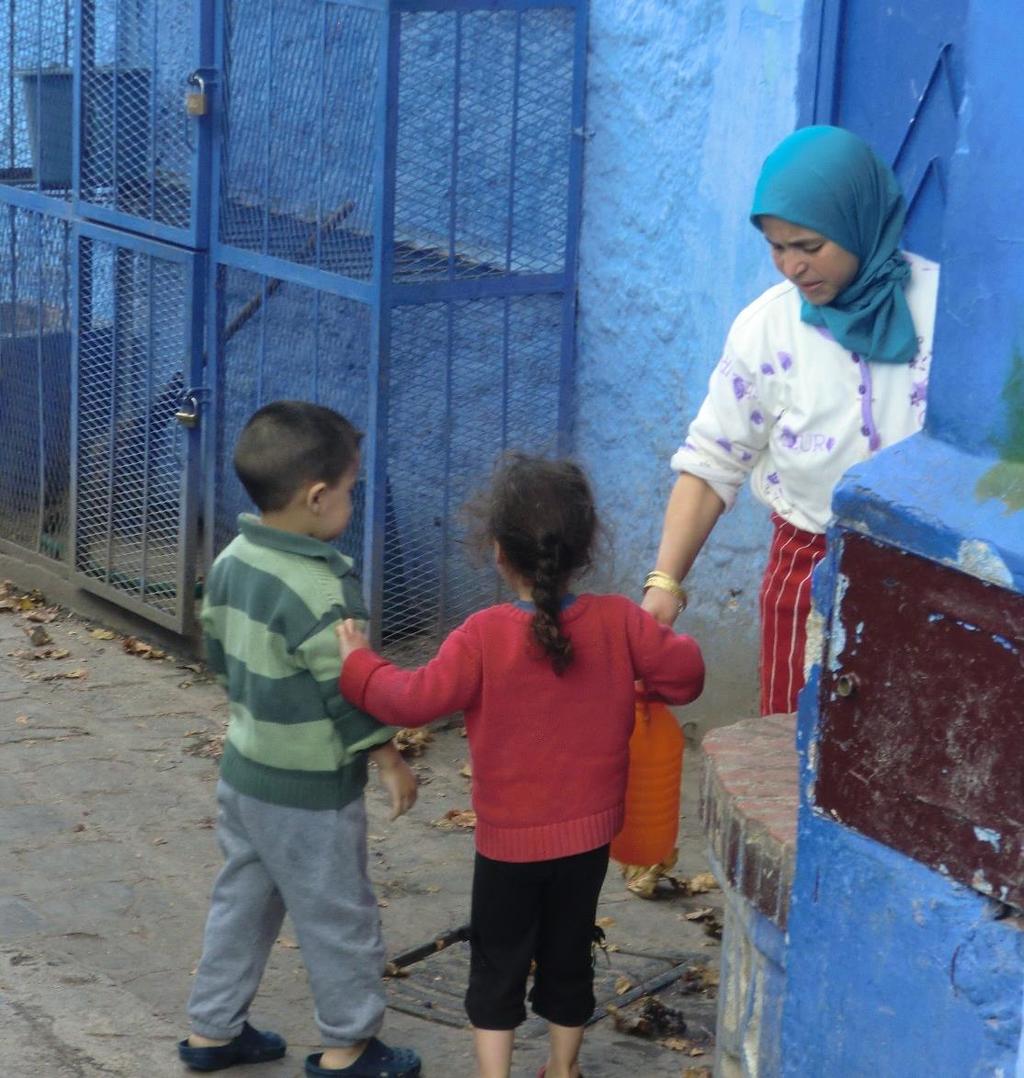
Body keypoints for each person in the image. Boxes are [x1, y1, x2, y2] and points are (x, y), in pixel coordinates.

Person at [336, 454, 705, 1078]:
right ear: (584, 550)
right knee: (569, 956)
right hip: (589, 837)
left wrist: (358, 663)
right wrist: (657, 624)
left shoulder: (482, 636)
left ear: (498, 553)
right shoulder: (619, 621)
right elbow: (687, 676)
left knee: (498, 960)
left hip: (508, 846)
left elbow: (411, 699)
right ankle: (562, 1070)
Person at [642, 125, 939, 715]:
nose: (793, 267)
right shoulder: (768, 330)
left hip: (929, 580)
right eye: (777, 247)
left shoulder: (945, 312)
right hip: (807, 573)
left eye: (809, 245)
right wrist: (664, 587)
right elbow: (711, 465)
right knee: (792, 755)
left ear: (860, 221)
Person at [179, 401, 422, 1078]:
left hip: (246, 772)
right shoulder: (323, 588)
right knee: (338, 916)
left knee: (241, 903)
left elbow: (219, 650)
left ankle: (212, 1030)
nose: (353, 499)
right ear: (318, 498)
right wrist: (389, 757)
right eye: (350, 488)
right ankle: (349, 1045)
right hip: (310, 794)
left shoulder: (232, 557)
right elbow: (349, 688)